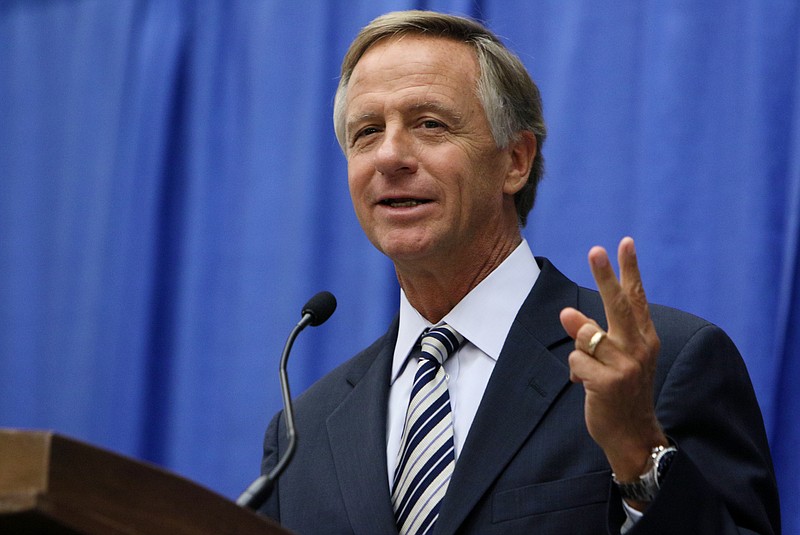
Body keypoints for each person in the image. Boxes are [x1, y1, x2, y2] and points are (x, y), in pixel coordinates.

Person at [257, 10, 780, 534]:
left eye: (430, 124)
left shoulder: (661, 367)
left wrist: (639, 455)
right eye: (367, 132)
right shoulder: (301, 434)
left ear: (516, 161)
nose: (389, 155)